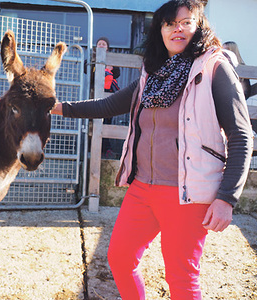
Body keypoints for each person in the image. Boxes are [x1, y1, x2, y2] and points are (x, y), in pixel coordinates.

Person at [52, 0, 253, 299]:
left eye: (186, 22)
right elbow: (107, 104)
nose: (178, 29)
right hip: (142, 189)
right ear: (160, 30)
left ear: (199, 26)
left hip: (187, 194)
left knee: (181, 278)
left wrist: (226, 198)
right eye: (170, 24)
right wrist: (56, 108)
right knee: (119, 259)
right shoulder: (153, 75)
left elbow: (241, 135)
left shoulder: (214, 68)